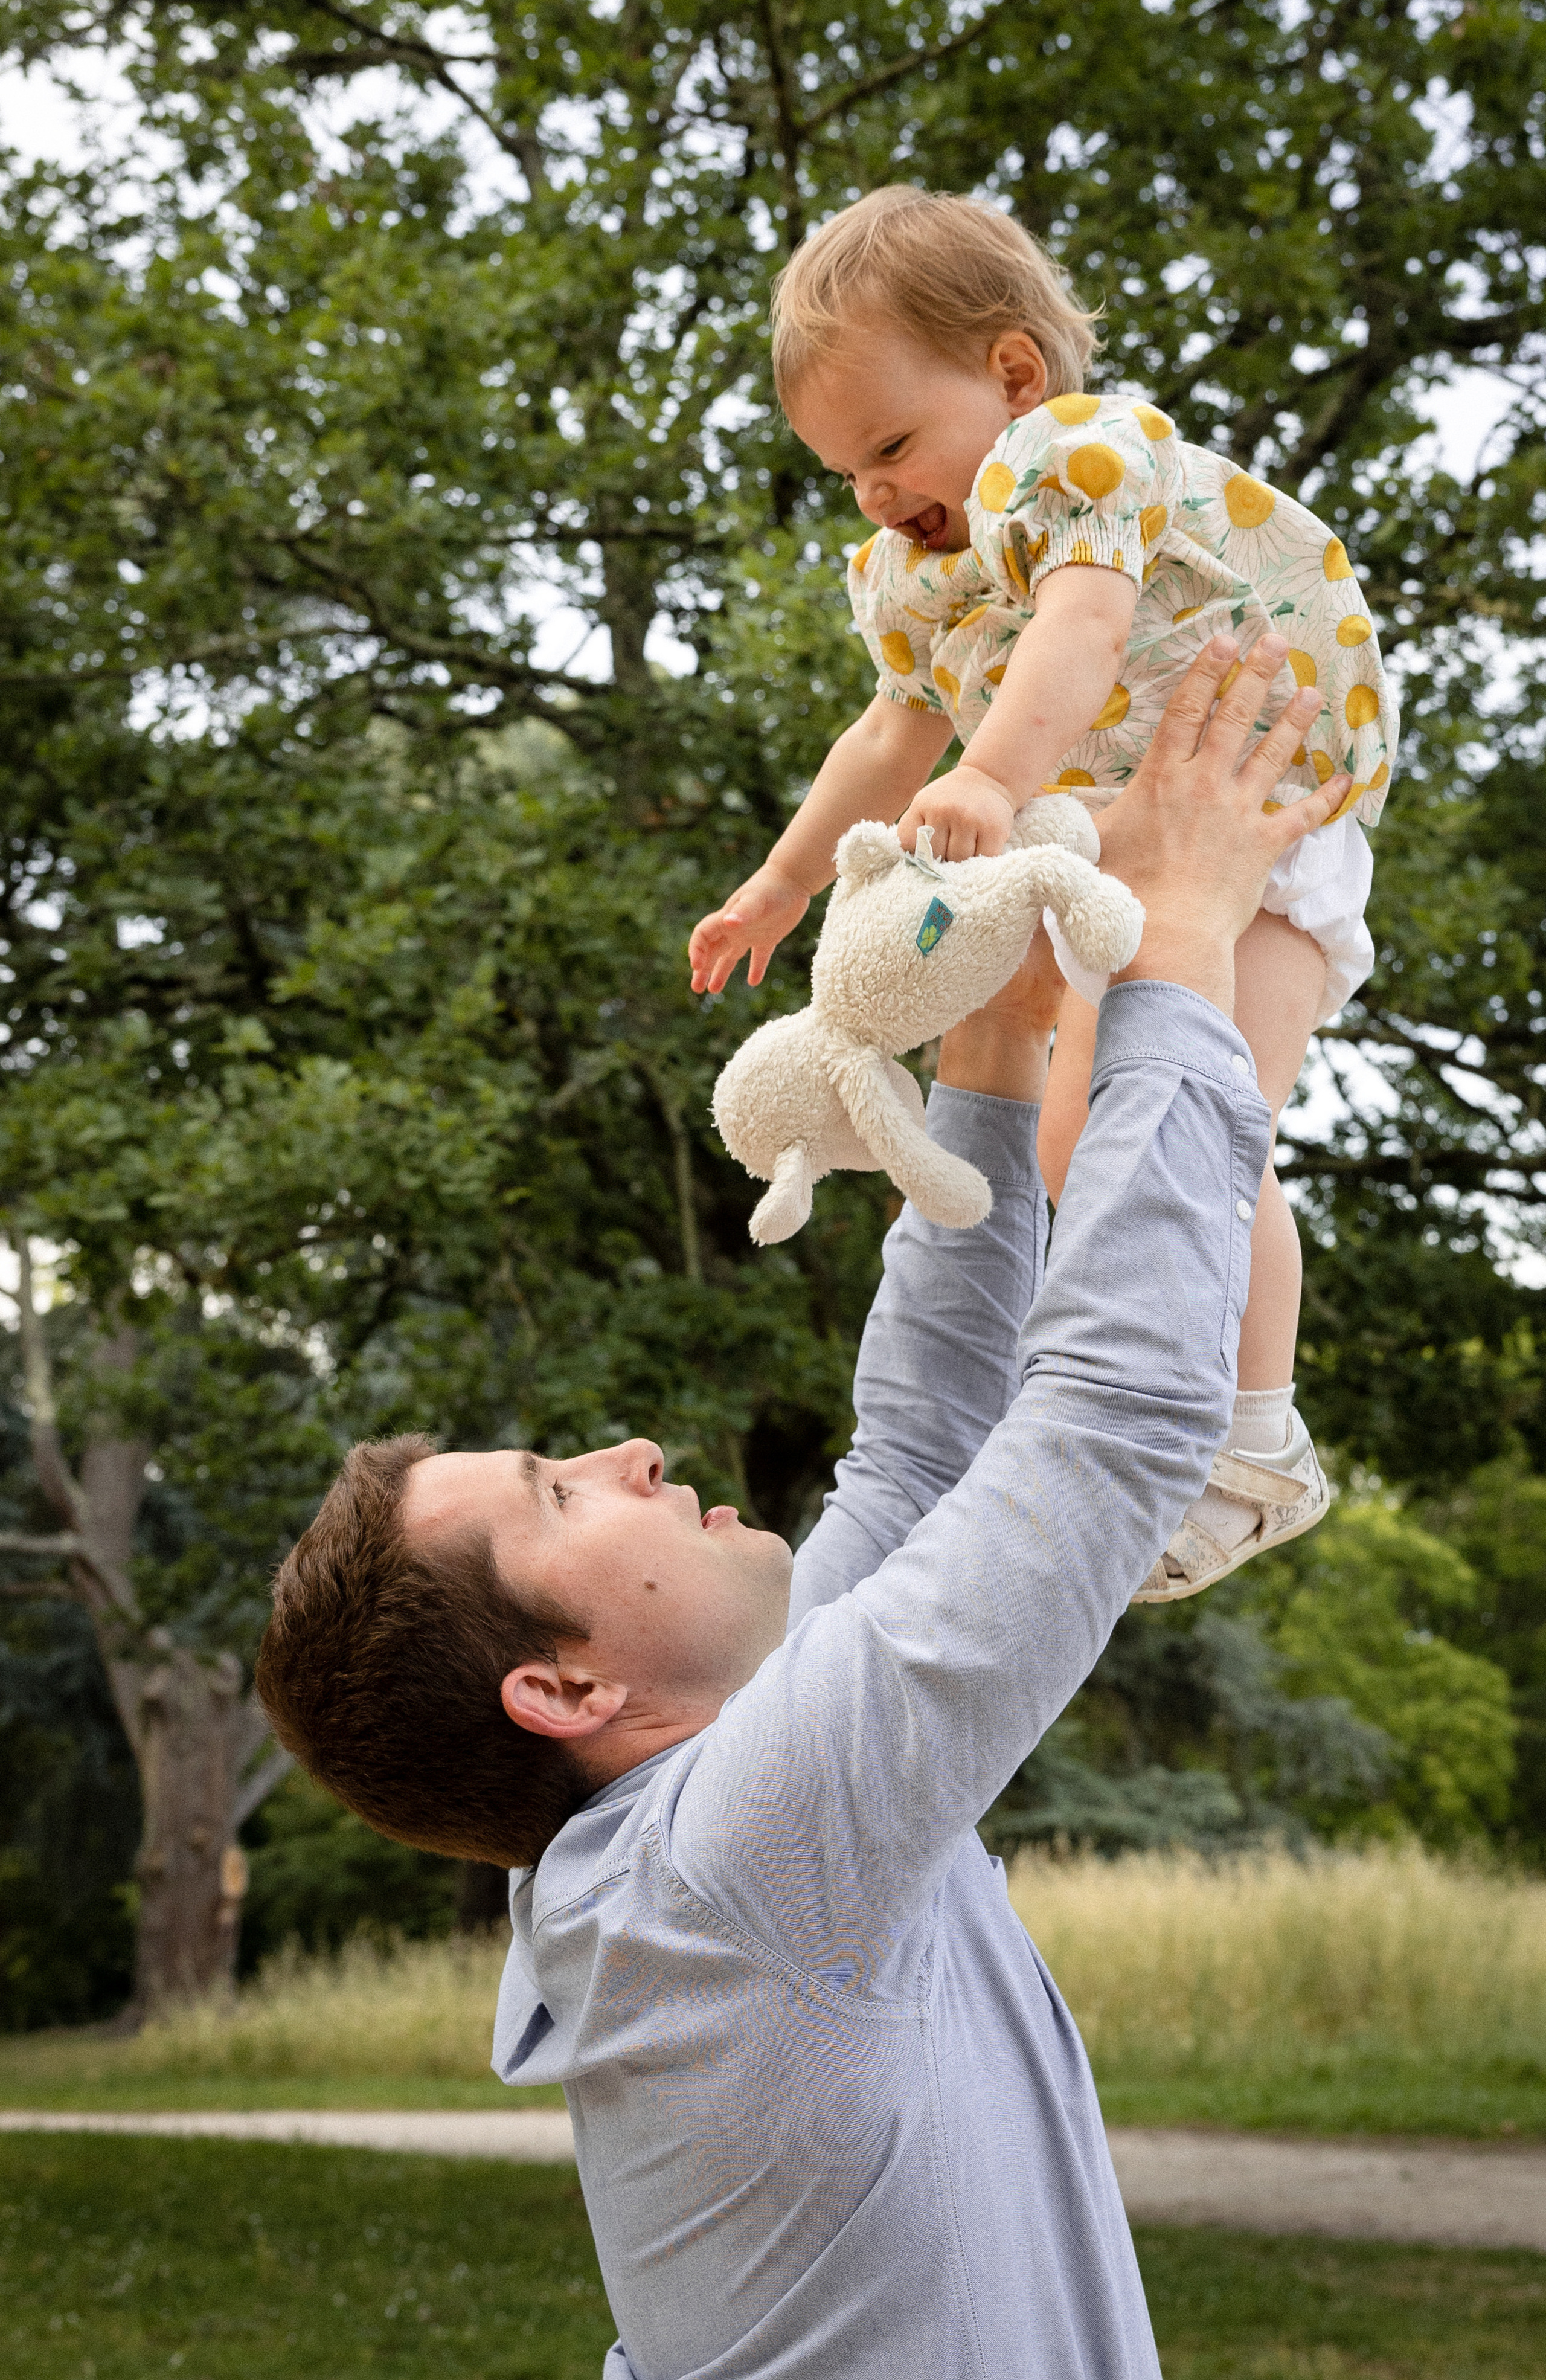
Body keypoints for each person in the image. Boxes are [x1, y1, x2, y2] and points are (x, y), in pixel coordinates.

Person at [256, 638, 1346, 2380]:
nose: (625, 1451)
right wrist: (1179, 950)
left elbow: (917, 1455)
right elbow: (1113, 1423)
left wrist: (994, 1041)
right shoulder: (729, 1864)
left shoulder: (671, 1842)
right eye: (557, 1490)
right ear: (564, 1688)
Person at [688, 187, 1398, 1599]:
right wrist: (781, 880)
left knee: (1196, 1129)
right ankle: (1160, 1412)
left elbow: (1080, 628)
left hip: (1264, 816)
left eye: (889, 446)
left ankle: (1255, 1441)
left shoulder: (1072, 457)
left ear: (1012, 373)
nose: (873, 493)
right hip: (1127, 851)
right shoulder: (920, 569)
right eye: (843, 471)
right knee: (1081, 1142)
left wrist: (993, 777)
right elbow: (887, 732)